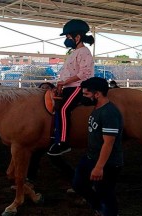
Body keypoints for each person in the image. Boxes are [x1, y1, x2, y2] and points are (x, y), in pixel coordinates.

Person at [72, 77, 123, 216]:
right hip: (91, 157)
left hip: (108, 162)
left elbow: (109, 142)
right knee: (78, 183)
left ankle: (109, 213)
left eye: (86, 94)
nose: (84, 97)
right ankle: (99, 208)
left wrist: (99, 167)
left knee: (105, 193)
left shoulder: (109, 113)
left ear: (97, 94)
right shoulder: (97, 108)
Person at [47, 19, 95, 156]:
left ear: (78, 37)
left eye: (68, 37)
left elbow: (84, 74)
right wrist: (61, 83)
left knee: (63, 109)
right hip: (69, 86)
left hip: (78, 87)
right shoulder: (73, 53)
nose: (67, 40)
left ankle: (63, 143)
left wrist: (64, 82)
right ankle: (55, 135)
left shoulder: (84, 52)